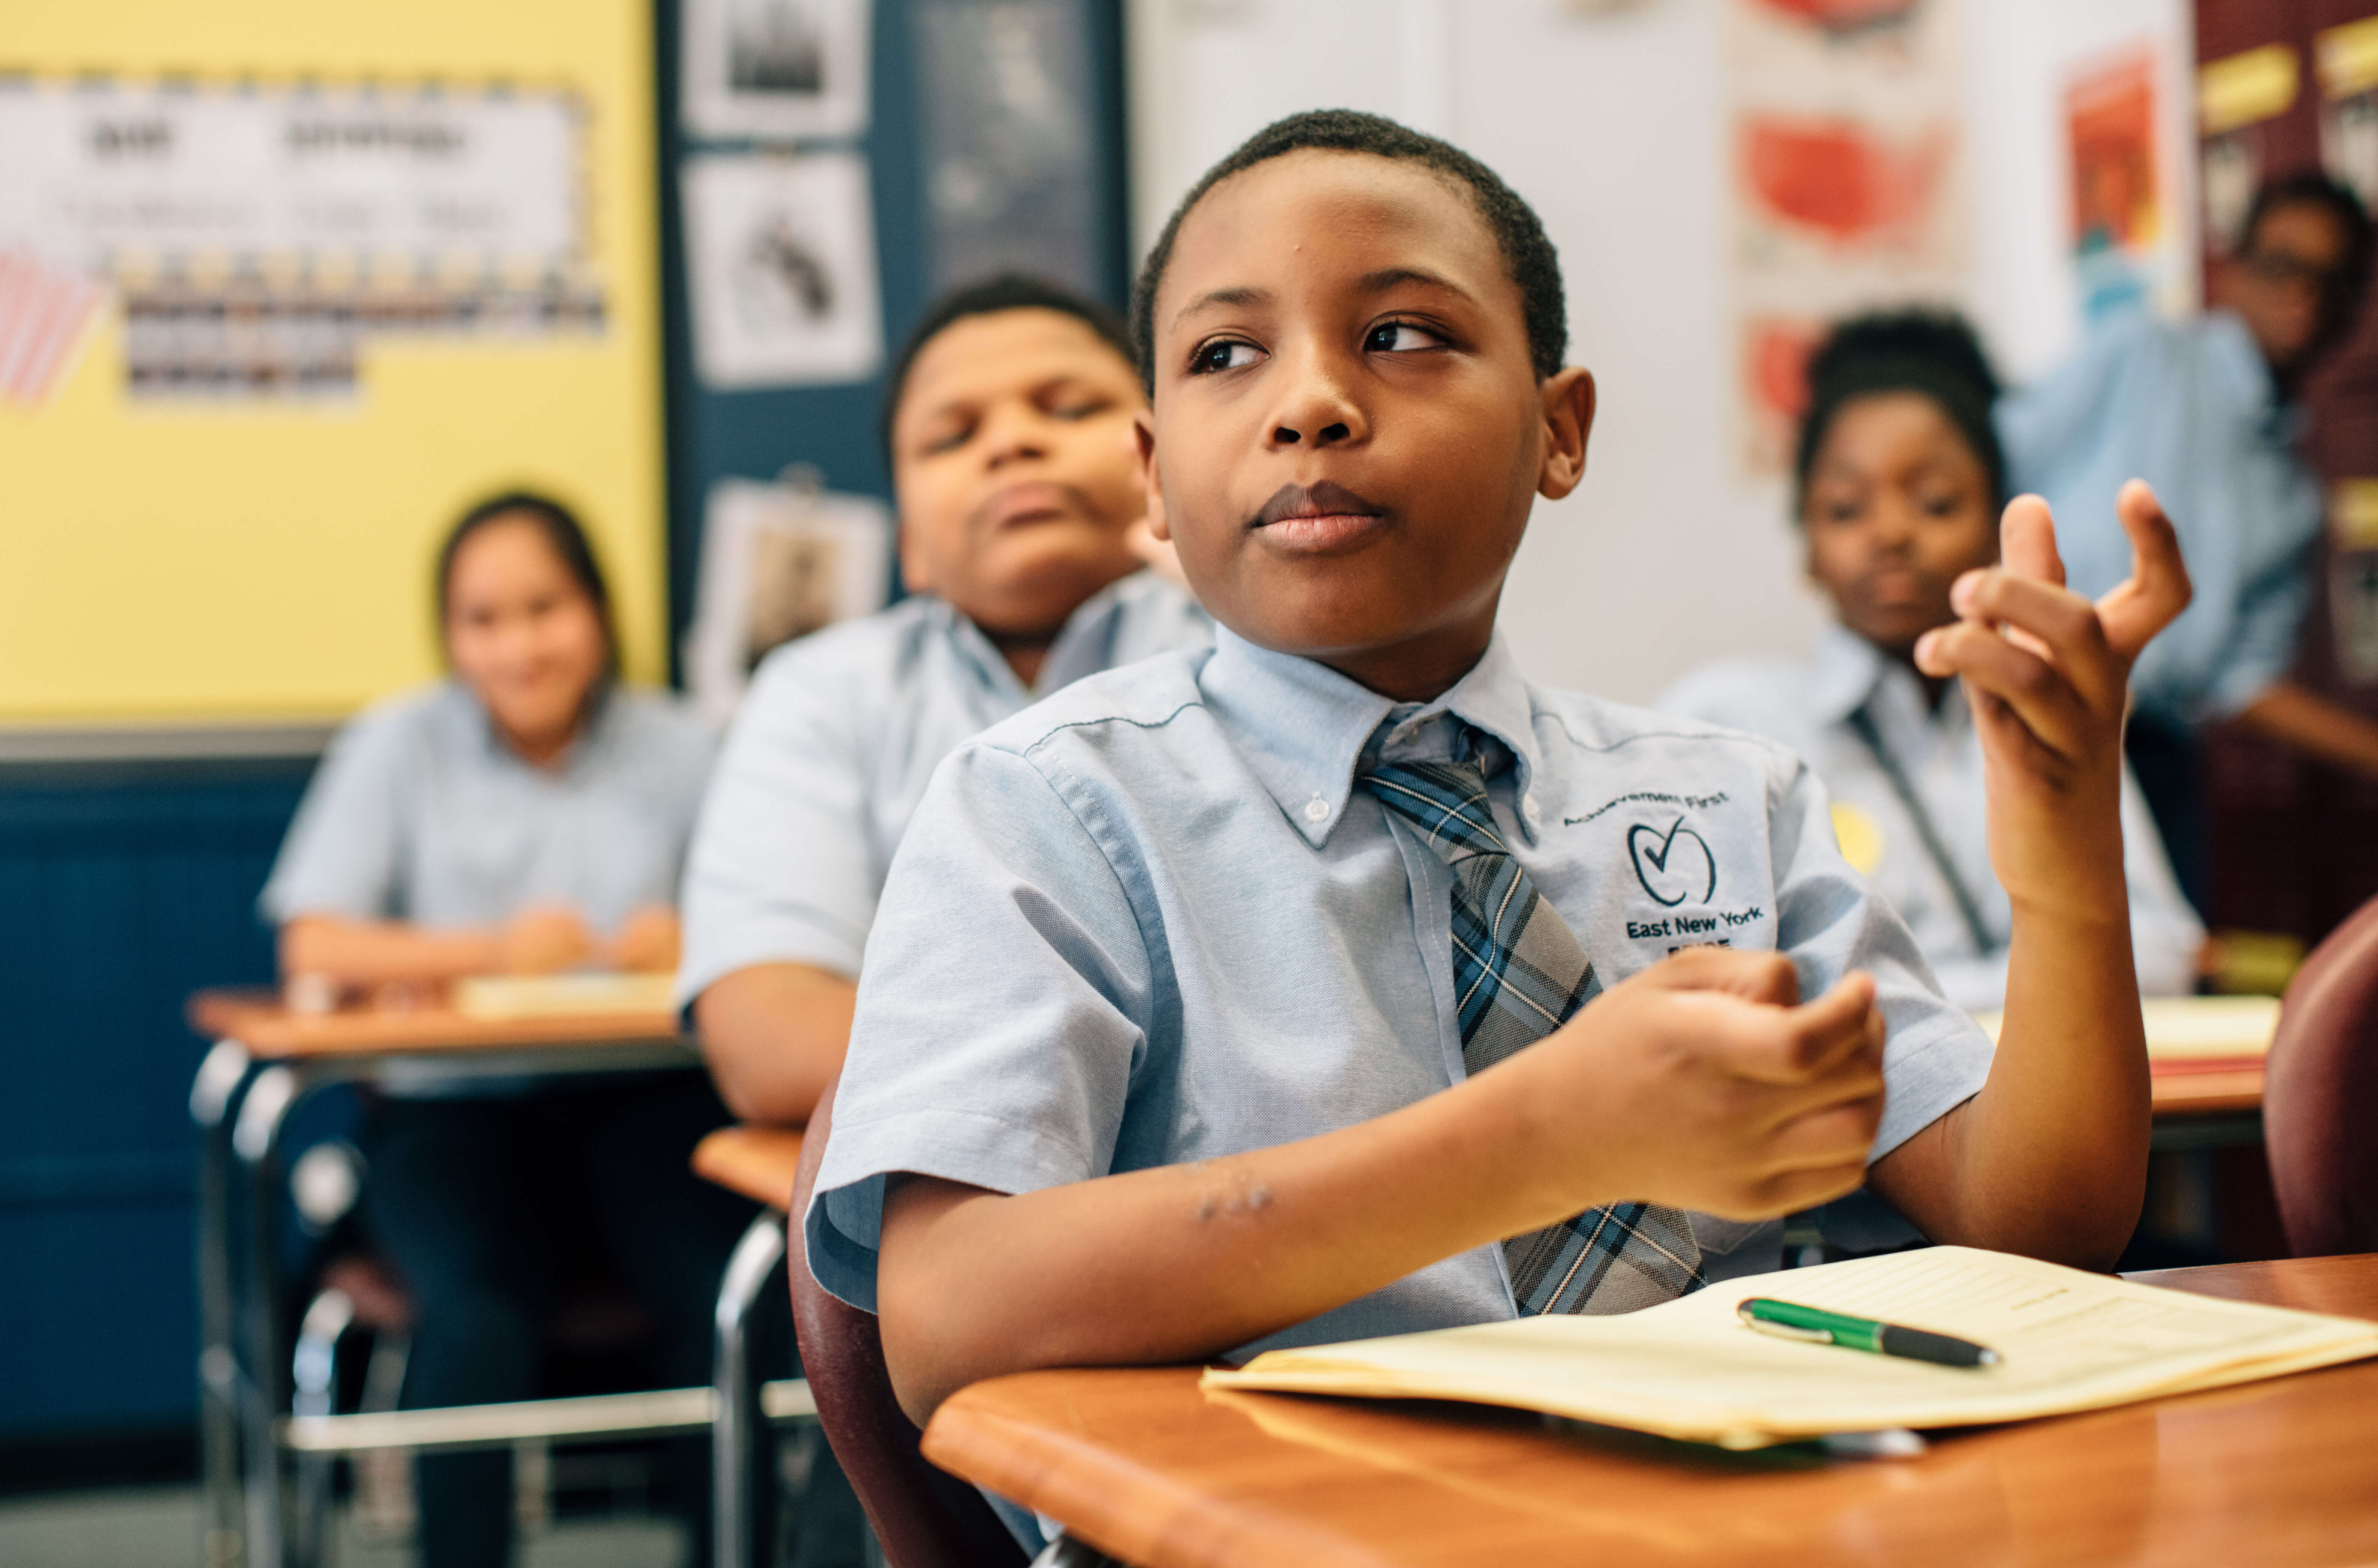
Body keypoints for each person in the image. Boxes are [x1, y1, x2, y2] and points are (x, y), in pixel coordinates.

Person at [803, 112, 2191, 1490]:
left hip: (1714, 1521)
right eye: (1228, 355)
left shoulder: (1729, 801)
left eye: (1402, 334)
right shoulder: (1048, 808)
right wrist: (1542, 1140)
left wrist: (2065, 859)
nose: (1310, 404)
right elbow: (947, 1319)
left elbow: (2035, 1224)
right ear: (1154, 481)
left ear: (1558, 430)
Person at [262, 492, 743, 1568]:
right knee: (474, 1317)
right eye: (484, 619)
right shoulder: (399, 743)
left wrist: (698, 933)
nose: (519, 645)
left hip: (645, 1107)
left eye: (545, 608)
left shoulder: (682, 744)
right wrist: (487, 951)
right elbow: (316, 948)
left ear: (600, 615)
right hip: (453, 1117)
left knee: (724, 1299)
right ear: (451, 636)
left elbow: (769, 924)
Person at [677, 274, 1212, 1127]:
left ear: (1160, 464)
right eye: (953, 435)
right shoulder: (823, 694)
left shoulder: (1254, 648)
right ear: (911, 547)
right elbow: (765, 1034)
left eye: (1069, 408)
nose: (1013, 444)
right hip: (945, 1214)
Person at [1662, 310, 2204, 1014]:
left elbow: (2163, 953)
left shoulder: (2049, 708)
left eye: (1936, 502)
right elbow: (1708, 986)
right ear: (1807, 545)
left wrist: (1881, 998)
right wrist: (2033, 989)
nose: (1890, 533)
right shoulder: (1725, 724)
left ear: (1996, 523)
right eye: (1846, 509)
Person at [2000, 170, 2378, 904]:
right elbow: (1989, 459)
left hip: (2150, 752)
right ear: (2233, 267)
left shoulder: (2293, 497)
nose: (2304, 293)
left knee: (2164, 972)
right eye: (2282, 264)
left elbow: (2237, 682)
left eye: (2333, 279)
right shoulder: (2141, 351)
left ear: (2357, 305)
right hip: (2032, 711)